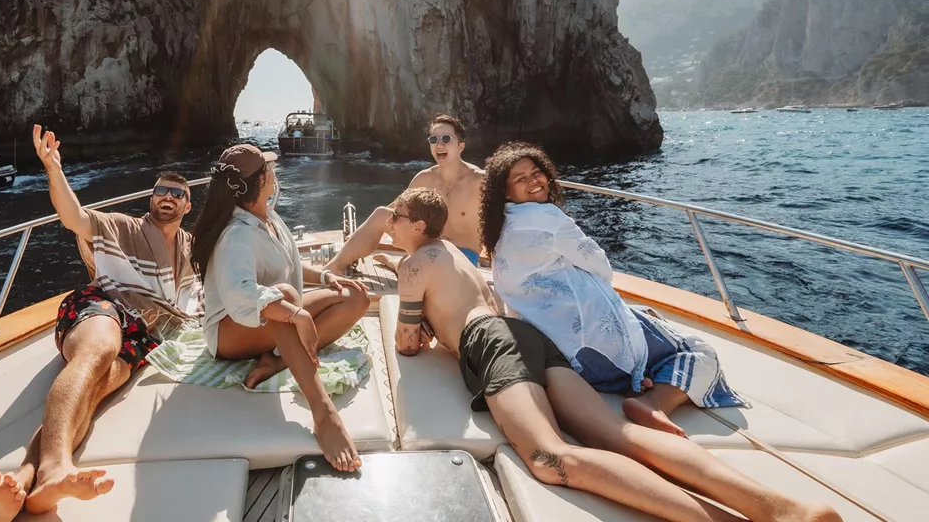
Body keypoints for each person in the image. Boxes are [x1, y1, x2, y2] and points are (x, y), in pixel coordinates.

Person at [390, 187, 840, 522]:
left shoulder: (413, 266)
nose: (389, 221)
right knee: (616, 433)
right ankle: (782, 508)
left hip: (492, 343)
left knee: (552, 458)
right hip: (524, 336)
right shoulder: (454, 252)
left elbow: (407, 345)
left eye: (396, 214)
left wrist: (421, 320)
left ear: (418, 226)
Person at [0, 124, 204, 522]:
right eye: (160, 191)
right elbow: (74, 217)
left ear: (187, 206)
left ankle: (24, 481)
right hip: (103, 306)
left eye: (177, 194)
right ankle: (54, 469)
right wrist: (54, 169)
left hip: (144, 337)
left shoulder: (190, 248)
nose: (167, 197)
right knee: (98, 350)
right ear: (150, 199)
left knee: (97, 389)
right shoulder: (125, 227)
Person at [479, 142, 745, 437]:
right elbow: (600, 266)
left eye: (537, 172)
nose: (534, 180)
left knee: (645, 317)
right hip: (596, 353)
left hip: (564, 355)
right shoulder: (548, 219)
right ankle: (653, 404)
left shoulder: (501, 229)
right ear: (506, 191)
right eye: (521, 178)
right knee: (699, 352)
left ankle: (639, 375)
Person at [192, 144, 371, 473]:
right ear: (262, 180)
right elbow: (241, 297)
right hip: (230, 332)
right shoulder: (236, 236)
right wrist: (297, 313)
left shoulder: (267, 217)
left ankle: (276, 361)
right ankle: (323, 414)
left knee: (355, 297)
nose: (275, 172)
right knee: (284, 298)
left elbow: (289, 264)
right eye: (269, 168)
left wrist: (327, 276)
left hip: (270, 321)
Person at [324, 114, 484, 276]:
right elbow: (394, 210)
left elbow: (502, 222)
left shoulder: (479, 180)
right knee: (381, 214)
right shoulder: (424, 178)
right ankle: (333, 268)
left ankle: (398, 264)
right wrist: (359, 236)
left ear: (460, 147)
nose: (439, 145)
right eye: (434, 140)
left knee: (420, 268)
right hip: (426, 249)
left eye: (446, 139)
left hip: (462, 258)